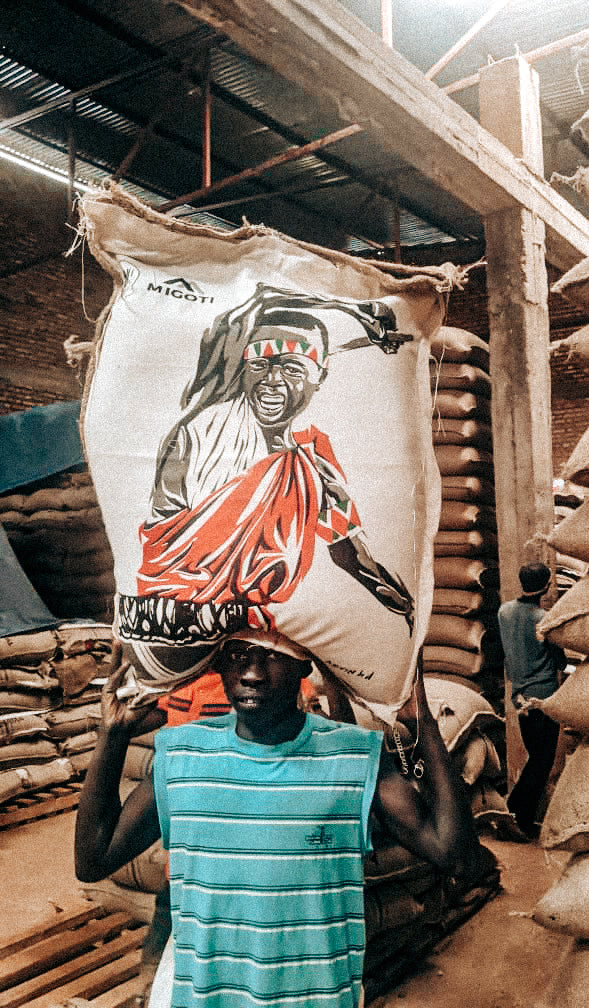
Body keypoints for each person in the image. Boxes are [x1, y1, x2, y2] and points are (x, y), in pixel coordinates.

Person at [75, 631, 484, 1008]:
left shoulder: (354, 756)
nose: (252, 673)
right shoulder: (183, 754)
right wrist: (111, 737)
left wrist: (423, 724)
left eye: (272, 655)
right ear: (217, 663)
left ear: (306, 665)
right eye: (237, 655)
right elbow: (94, 860)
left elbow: (457, 857)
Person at [117, 286, 415, 648]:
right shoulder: (200, 432)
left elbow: (347, 548)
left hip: (255, 630)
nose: (271, 380)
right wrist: (353, 309)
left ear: (319, 376)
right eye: (259, 365)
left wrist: (395, 598)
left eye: (292, 368)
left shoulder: (311, 460)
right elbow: (259, 297)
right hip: (174, 619)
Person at [496, 562, 567, 841]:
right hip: (543, 698)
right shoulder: (544, 619)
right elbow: (560, 661)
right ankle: (515, 816)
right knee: (542, 760)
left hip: (520, 698)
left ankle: (514, 816)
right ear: (547, 586)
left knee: (535, 758)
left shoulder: (504, 612)